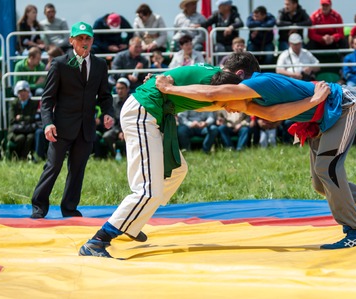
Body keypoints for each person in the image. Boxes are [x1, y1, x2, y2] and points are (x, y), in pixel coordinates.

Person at [155, 67, 356, 250]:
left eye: (224, 102)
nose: (226, 109)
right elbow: (273, 114)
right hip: (322, 114)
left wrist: (168, 87)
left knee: (328, 168)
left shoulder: (259, 84)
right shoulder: (249, 102)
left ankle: (354, 232)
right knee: (319, 182)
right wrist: (312, 101)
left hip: (344, 105)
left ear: (233, 88)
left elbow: (210, 93)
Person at [78, 52, 260, 258]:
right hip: (142, 113)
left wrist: (226, 103)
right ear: (240, 73)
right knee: (149, 191)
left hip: (152, 116)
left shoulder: (213, 77)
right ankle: (98, 241)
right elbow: (171, 81)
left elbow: (182, 86)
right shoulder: (213, 80)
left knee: (177, 170)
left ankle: (132, 219)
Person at [30, 22, 115, 219]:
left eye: (88, 38)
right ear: (71, 41)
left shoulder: (100, 65)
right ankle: (39, 207)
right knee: (53, 167)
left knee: (77, 171)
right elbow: (47, 99)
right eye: (80, 38)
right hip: (61, 127)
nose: (84, 42)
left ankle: (69, 209)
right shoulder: (59, 64)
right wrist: (48, 123)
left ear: (93, 40)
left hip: (86, 128)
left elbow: (105, 95)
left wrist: (107, 112)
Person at [6, 80, 39, 160]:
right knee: (20, 138)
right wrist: (27, 118)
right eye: (20, 91)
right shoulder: (13, 103)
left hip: (28, 129)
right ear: (17, 92)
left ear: (28, 92)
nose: (23, 93)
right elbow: (11, 120)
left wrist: (21, 118)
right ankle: (16, 157)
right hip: (15, 131)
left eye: (25, 91)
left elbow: (34, 118)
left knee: (30, 137)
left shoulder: (33, 103)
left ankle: (24, 158)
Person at [102, 77, 130, 157]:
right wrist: (118, 132)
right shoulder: (113, 102)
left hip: (129, 128)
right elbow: (112, 120)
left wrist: (124, 131)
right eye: (118, 88)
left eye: (122, 88)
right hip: (116, 129)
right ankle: (114, 154)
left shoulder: (132, 101)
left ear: (127, 89)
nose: (120, 91)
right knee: (107, 136)